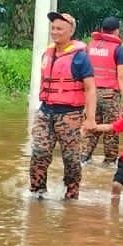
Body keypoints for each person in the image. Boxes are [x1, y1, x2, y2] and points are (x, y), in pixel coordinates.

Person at [30, 12, 96, 201]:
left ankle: (71, 195)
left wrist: (90, 118)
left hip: (70, 115)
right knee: (39, 152)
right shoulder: (47, 54)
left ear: (70, 31)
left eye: (59, 28)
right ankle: (37, 193)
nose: (55, 32)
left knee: (71, 159)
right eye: (53, 28)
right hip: (46, 111)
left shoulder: (80, 58)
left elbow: (91, 88)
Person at [83, 16, 123, 165]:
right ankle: (109, 162)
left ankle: (84, 158)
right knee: (111, 129)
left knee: (91, 126)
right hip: (110, 95)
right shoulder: (118, 48)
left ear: (102, 30)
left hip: (91, 94)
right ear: (116, 31)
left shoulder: (90, 45)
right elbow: (121, 76)